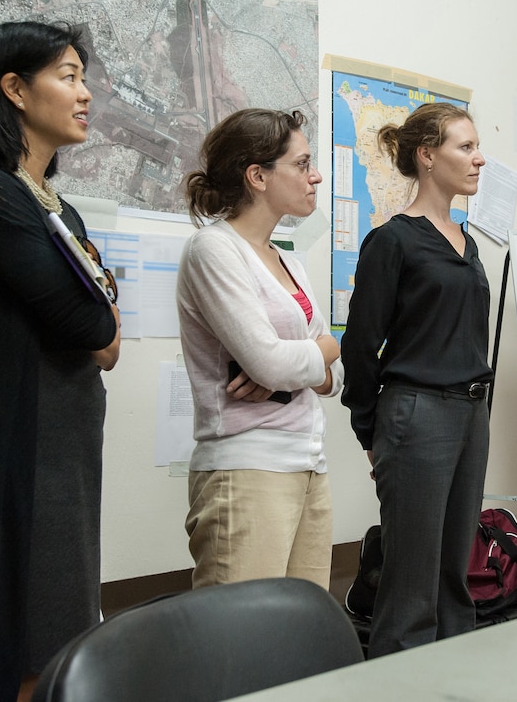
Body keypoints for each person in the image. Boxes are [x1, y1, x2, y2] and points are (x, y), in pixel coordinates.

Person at [0, 21, 121, 702]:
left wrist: (97, 321)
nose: (85, 93)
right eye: (67, 76)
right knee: (28, 657)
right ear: (14, 88)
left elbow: (105, 337)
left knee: (59, 643)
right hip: (19, 454)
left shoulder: (56, 206)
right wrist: (96, 320)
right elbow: (91, 321)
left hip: (63, 448)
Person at [341, 103, 492, 657]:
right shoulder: (394, 240)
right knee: (411, 584)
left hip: (471, 415)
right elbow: (360, 345)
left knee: (456, 572)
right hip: (416, 415)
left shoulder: (466, 243)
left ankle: (452, 681)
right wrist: (370, 430)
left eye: (477, 147)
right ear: (427, 156)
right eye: (465, 147)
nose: (479, 159)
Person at [177, 108, 342, 591]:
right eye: (302, 164)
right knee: (237, 647)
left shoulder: (288, 258)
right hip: (246, 468)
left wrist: (309, 361)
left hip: (309, 463)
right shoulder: (213, 249)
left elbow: (332, 380)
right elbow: (269, 362)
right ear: (257, 176)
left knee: (300, 641)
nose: (315, 177)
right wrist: (324, 347)